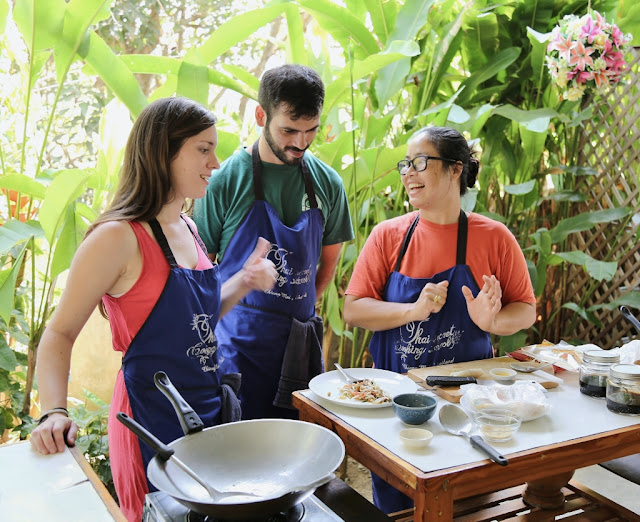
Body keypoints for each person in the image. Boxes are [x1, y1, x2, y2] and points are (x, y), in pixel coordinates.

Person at [29, 97, 277, 522]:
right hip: (149, 418)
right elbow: (59, 333)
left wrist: (245, 280)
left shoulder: (190, 227)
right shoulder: (117, 238)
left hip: (205, 409)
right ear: (164, 151)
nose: (215, 162)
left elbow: (196, 320)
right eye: (203, 149)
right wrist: (54, 411)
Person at [343, 125, 537, 513]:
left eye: (420, 162)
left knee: (469, 505)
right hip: (398, 404)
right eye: (405, 164)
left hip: (466, 404)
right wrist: (413, 311)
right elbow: (354, 309)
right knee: (398, 505)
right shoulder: (387, 236)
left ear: (455, 170)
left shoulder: (495, 237)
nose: (408, 173)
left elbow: (525, 309)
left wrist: (492, 322)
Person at [192, 64, 354, 420]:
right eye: (289, 130)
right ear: (261, 115)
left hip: (299, 347)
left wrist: (301, 306)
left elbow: (328, 264)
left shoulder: (328, 184)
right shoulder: (225, 181)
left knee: (297, 449)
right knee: (240, 452)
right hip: (236, 347)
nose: (300, 143)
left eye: (310, 131)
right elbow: (198, 275)